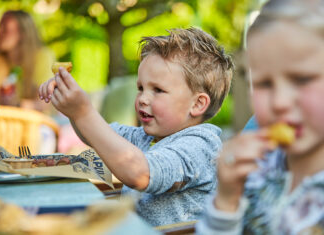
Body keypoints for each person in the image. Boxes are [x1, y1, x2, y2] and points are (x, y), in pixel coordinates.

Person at [39, 27, 233, 226]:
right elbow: (95, 136)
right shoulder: (146, 137)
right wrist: (74, 110)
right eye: (141, 88)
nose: (143, 99)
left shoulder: (200, 146)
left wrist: (83, 112)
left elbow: (141, 174)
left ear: (197, 104)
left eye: (158, 90)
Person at [197, 0, 324, 234]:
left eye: (302, 79)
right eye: (264, 83)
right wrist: (226, 201)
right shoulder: (252, 173)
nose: (279, 102)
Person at [0, 10, 54, 112]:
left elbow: (44, 103)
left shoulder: (42, 56)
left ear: (23, 33)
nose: (0, 32)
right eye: (0, 27)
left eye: (6, 29)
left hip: (34, 122)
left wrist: (17, 104)